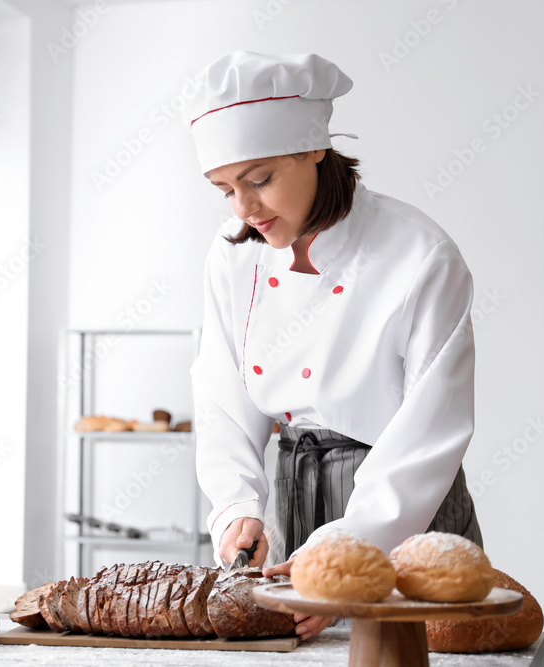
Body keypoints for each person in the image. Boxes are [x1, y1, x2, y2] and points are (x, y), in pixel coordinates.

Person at [183, 51, 483, 641]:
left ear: (315, 147)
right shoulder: (233, 251)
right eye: (224, 190)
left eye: (260, 179)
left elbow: (431, 429)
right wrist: (236, 506)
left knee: (420, 654)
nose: (244, 210)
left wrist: (348, 550)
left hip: (404, 508)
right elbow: (221, 392)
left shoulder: (420, 254)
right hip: (299, 484)